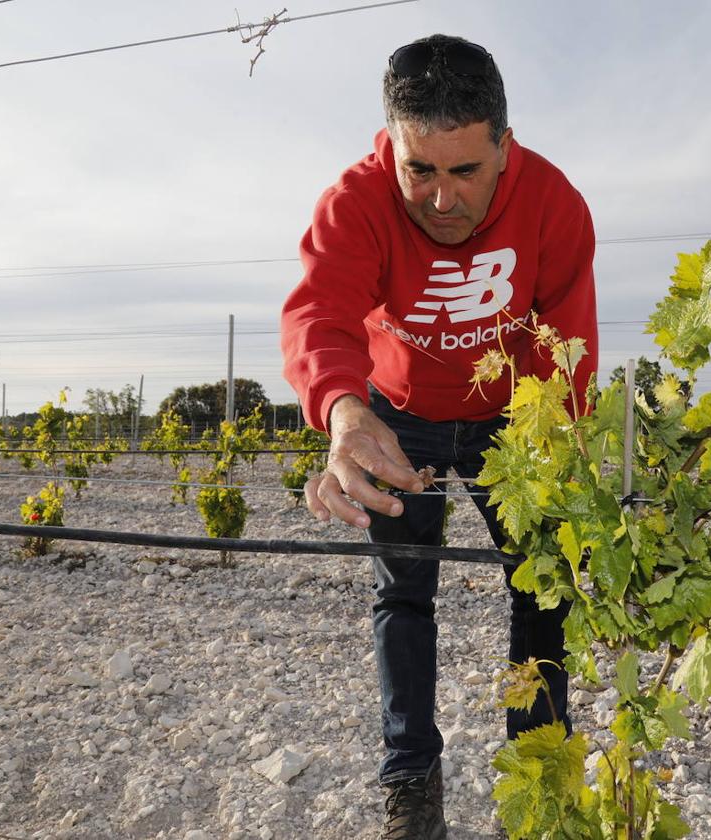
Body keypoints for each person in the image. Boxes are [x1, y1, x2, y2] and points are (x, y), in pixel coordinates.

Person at [280, 33, 598, 839]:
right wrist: (345, 413)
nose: (443, 199)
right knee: (403, 594)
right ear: (391, 145)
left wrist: (558, 455)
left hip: (511, 416)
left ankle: (539, 770)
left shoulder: (555, 204)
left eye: (466, 172)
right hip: (397, 419)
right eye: (419, 170)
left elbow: (568, 345)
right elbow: (320, 313)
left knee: (541, 589)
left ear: (505, 146)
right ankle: (412, 783)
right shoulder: (354, 201)